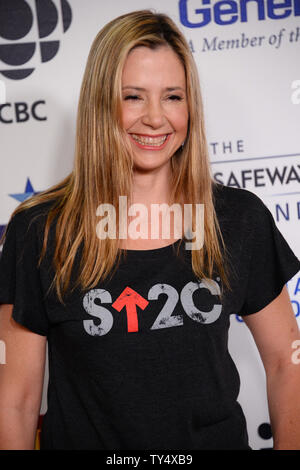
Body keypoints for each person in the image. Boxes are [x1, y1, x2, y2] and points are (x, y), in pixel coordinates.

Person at [0, 10, 299, 451]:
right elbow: (18, 402)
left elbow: (284, 362)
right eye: (134, 97)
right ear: (101, 103)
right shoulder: (39, 232)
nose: (156, 118)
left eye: (173, 97)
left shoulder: (237, 219)